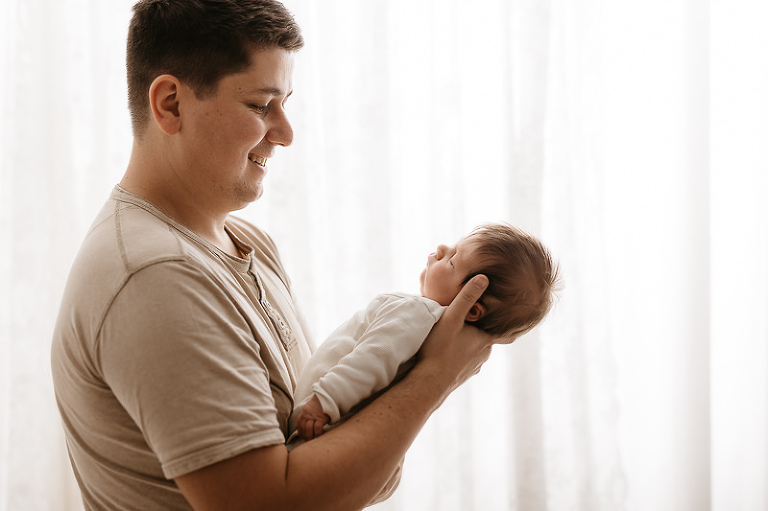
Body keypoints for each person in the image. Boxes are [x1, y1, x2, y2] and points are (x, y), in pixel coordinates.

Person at [50, 1, 501, 510]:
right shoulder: (156, 277)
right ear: (171, 104)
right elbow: (274, 502)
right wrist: (435, 376)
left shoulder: (248, 243)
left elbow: (327, 454)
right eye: (262, 105)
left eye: (285, 103)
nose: (286, 133)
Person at [290, 223, 560, 442]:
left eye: (453, 260)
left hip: (319, 419)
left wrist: (326, 400)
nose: (442, 249)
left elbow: (373, 359)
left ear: (472, 307)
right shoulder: (432, 335)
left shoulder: (418, 313)